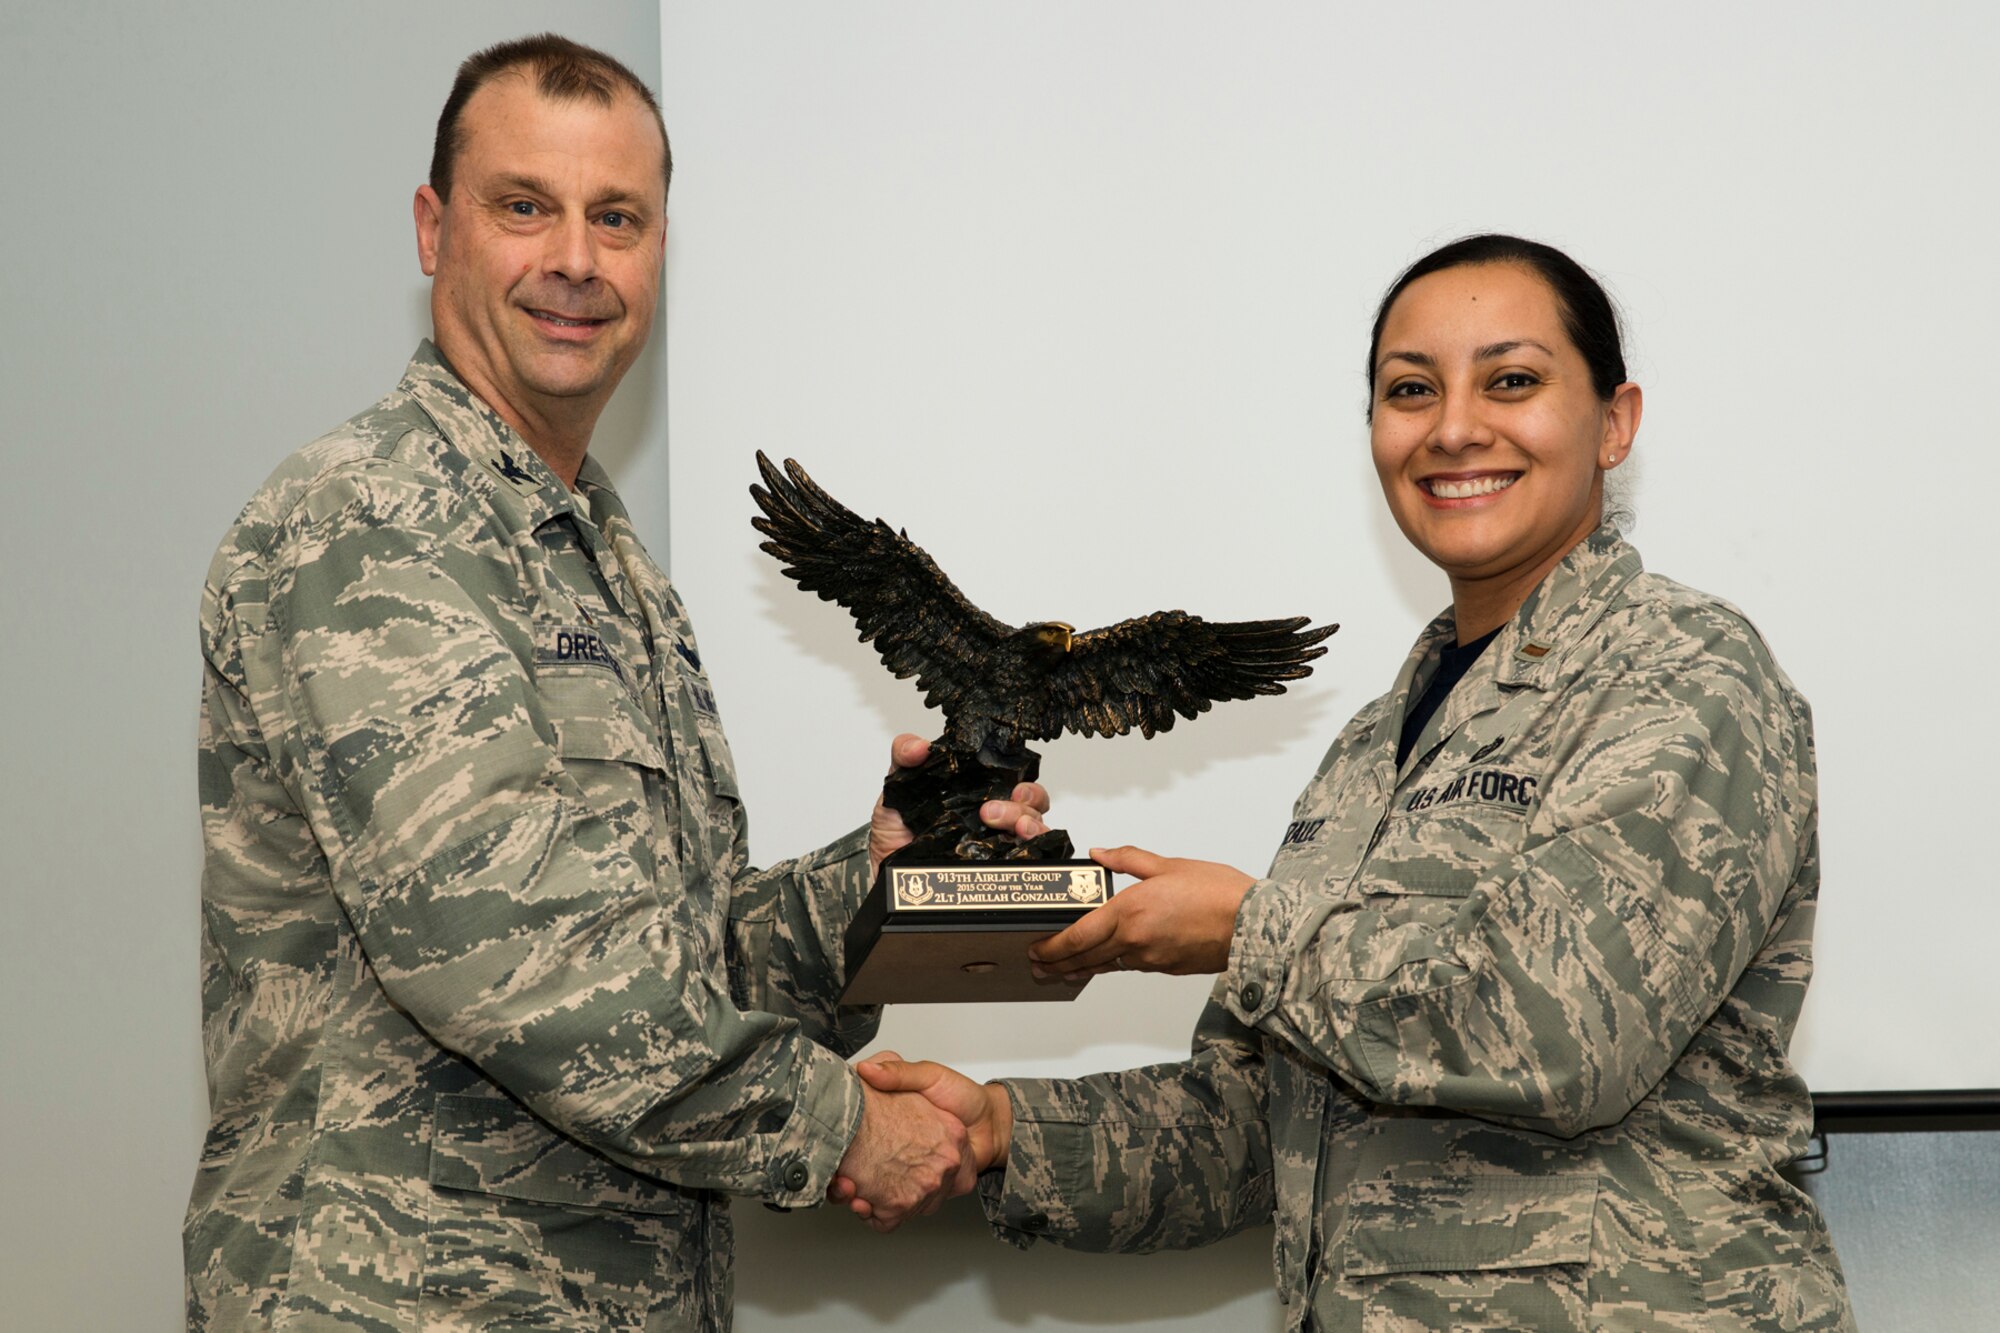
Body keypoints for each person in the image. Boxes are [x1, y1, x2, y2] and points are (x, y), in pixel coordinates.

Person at [184, 34, 1050, 1331]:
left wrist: (865, 894)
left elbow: (671, 957)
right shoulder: (365, 522)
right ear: (435, 229)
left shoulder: (617, 568)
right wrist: (838, 1128)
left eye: (619, 218)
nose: (576, 260)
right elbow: (509, 952)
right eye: (523, 206)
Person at [841, 235, 1856, 1331]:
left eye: (1510, 380)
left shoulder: (1681, 672)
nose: (1454, 427)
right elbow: (1251, 1125)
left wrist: (1244, 930)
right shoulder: (1374, 748)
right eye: (1408, 390)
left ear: (1613, 422)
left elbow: (1558, 1034)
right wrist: (996, 1128)